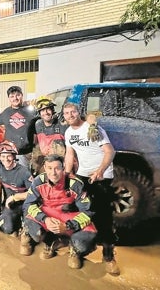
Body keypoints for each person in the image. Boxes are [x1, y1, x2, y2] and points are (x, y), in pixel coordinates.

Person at [63, 102, 120, 275]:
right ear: (64, 117)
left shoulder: (92, 128)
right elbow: (69, 154)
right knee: (77, 210)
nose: (71, 115)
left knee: (103, 215)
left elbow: (110, 152)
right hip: (83, 175)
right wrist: (66, 176)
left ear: (79, 112)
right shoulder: (68, 132)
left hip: (102, 176)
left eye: (73, 112)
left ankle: (108, 255)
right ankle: (78, 248)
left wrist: (99, 171)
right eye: (66, 113)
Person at [21, 154, 97, 269]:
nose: (53, 173)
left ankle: (74, 249)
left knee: (89, 235)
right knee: (33, 227)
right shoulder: (38, 181)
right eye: (50, 168)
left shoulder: (75, 184)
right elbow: (28, 205)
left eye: (57, 168)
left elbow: (88, 212)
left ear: (63, 168)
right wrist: (45, 219)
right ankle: (45, 240)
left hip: (67, 218)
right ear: (45, 168)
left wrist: (68, 226)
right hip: (47, 215)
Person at [0, 141, 33, 236]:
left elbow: (33, 193)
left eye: (9, 156)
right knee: (7, 228)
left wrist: (15, 197)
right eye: (2, 156)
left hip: (26, 204)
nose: (6, 159)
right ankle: (15, 224)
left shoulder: (24, 172)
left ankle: (23, 225)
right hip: (11, 205)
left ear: (14, 156)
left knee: (31, 232)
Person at [0, 86, 37, 169]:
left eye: (18, 95)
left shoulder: (31, 111)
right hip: (9, 155)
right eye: (12, 96)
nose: (15, 98)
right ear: (8, 98)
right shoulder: (5, 113)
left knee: (25, 178)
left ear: (22, 95)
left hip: (26, 154)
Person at [31, 96, 68, 175]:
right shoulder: (38, 124)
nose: (46, 112)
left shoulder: (62, 124)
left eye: (48, 109)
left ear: (52, 110)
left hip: (60, 164)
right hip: (46, 164)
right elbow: (36, 145)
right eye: (42, 110)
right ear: (39, 113)